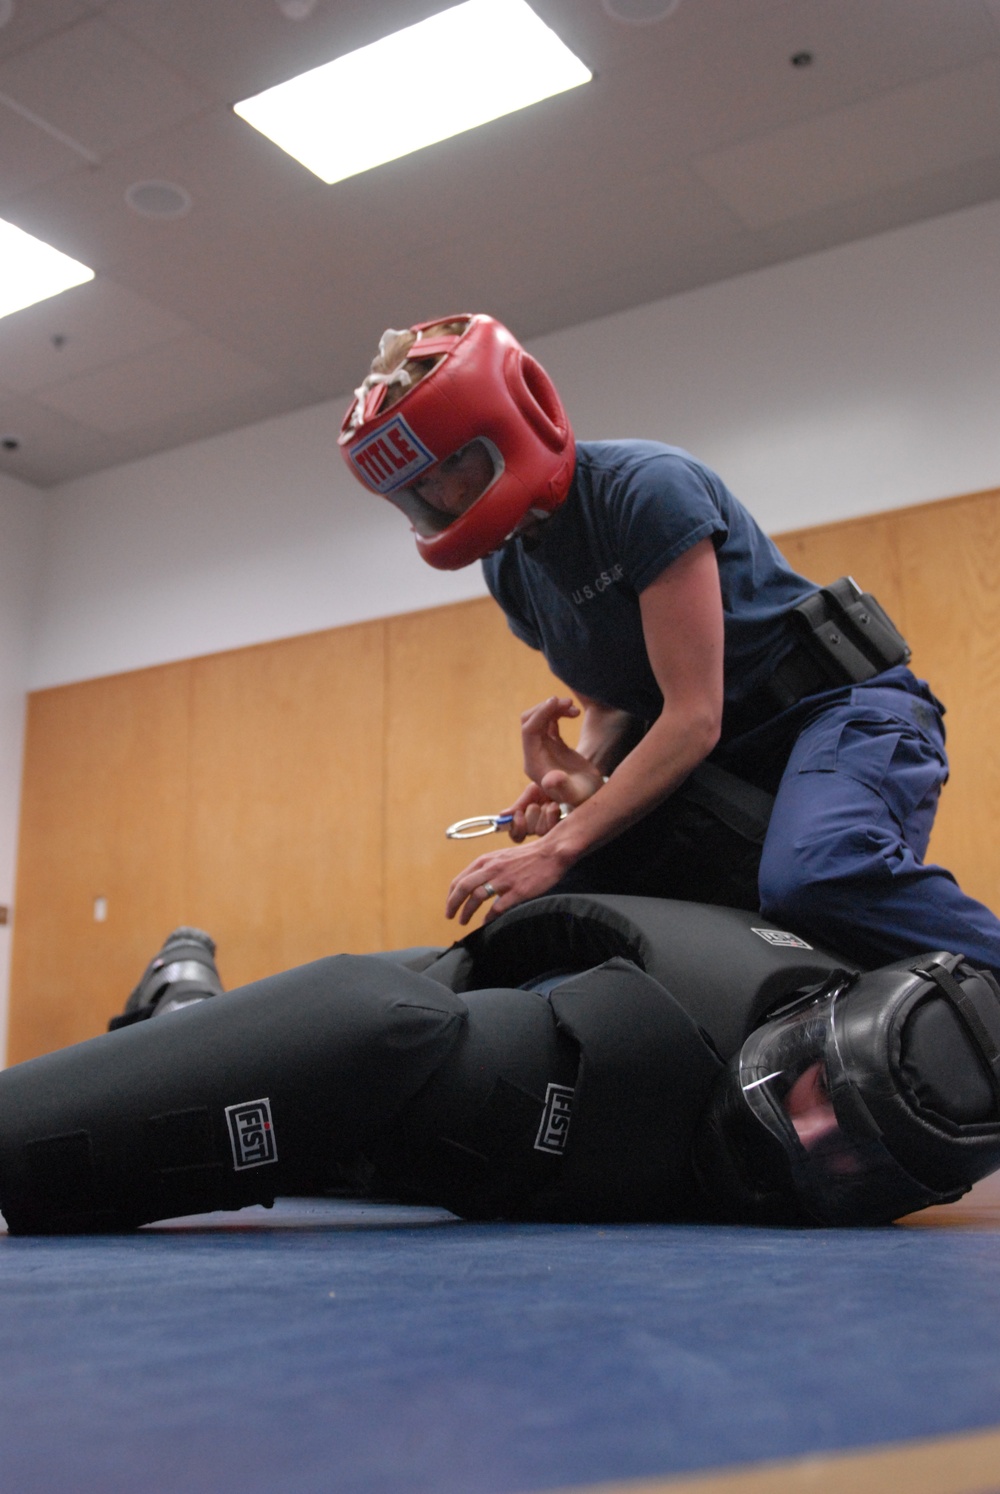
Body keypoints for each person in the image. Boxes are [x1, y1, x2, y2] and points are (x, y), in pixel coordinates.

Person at [339, 314, 1000, 977]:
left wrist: (561, 843)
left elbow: (691, 717)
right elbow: (610, 706)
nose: (444, 491)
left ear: (507, 421)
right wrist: (574, 780)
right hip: (722, 767)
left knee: (821, 878)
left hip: (837, 717)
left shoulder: (643, 487)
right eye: (422, 482)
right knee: (556, 925)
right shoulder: (508, 565)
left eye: (455, 459)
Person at [3, 900, 1000, 1234]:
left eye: (843, 1162)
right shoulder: (647, 1046)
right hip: (485, 997)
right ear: (807, 1022)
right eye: (808, 1098)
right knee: (379, 1035)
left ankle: (184, 990)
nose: (802, 1138)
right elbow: (372, 1027)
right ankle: (185, 980)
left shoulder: (907, 1151)